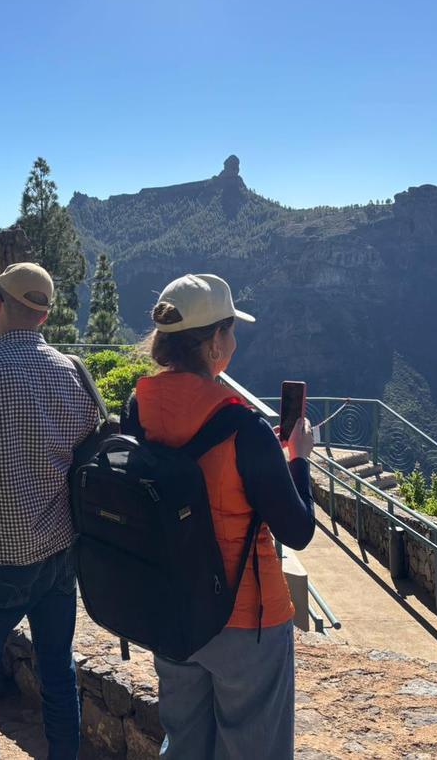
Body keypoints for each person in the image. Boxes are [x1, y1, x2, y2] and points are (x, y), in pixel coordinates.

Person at [120, 273, 316, 760]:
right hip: (245, 617)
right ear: (212, 344)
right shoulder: (243, 427)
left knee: (184, 744)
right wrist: (298, 460)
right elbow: (298, 530)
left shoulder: (137, 407)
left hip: (172, 605)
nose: (234, 339)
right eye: (230, 329)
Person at [0, 262, 101, 760]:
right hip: (59, 553)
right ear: (46, 314)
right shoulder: (74, 372)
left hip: (0, 559)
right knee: (58, 671)